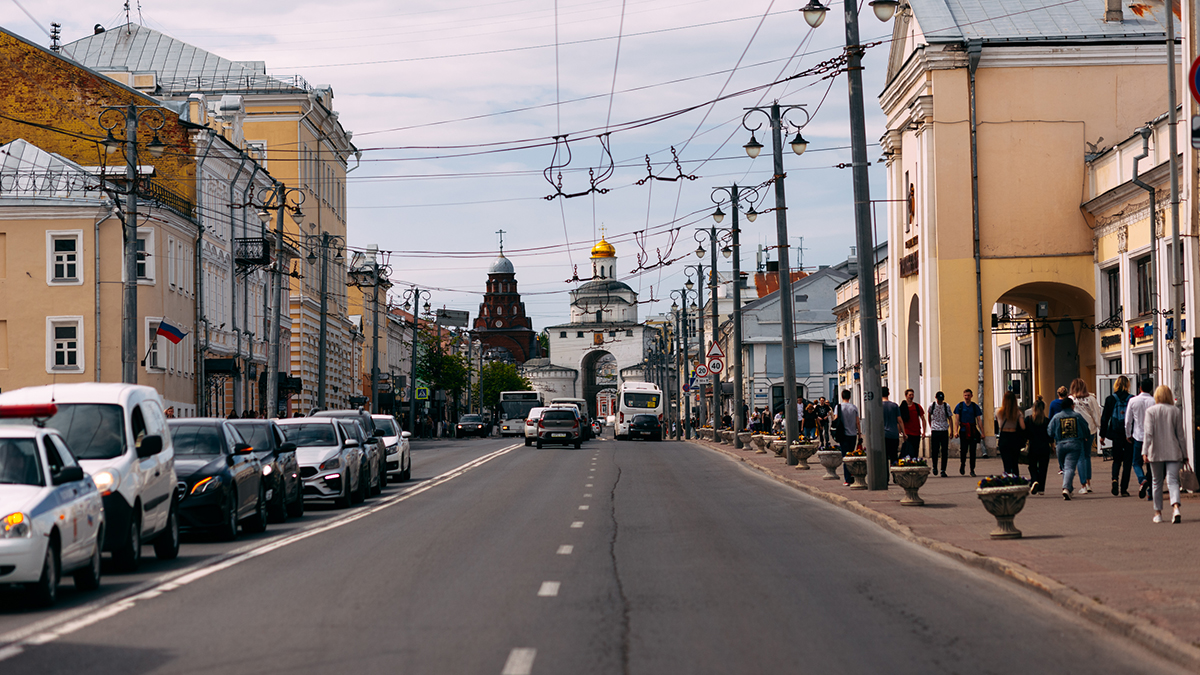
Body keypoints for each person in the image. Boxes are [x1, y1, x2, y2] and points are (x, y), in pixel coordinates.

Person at [1142, 385, 1186, 523]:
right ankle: (1176, 508)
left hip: (1156, 451)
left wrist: (1144, 451)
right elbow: (1180, 435)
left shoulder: (1150, 411)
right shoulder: (1175, 411)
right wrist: (1184, 454)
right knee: (1173, 481)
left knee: (1156, 482)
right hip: (1173, 451)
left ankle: (1158, 513)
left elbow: (1148, 433)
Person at [1049, 396, 1089, 500]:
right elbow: (1085, 427)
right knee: (1069, 467)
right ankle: (1066, 488)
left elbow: (1050, 431)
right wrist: (1085, 436)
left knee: (1064, 467)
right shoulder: (1077, 416)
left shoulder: (1057, 417)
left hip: (1060, 445)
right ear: (1072, 406)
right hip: (1075, 444)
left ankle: (1069, 488)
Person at [1100, 375, 1134, 496]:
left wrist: (1102, 435)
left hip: (1116, 434)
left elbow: (1105, 418)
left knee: (1117, 460)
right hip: (1129, 435)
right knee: (1127, 462)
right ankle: (1124, 489)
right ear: (1128, 385)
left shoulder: (1110, 399)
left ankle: (1114, 478)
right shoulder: (1132, 399)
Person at [1125, 377, 1156, 500]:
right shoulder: (1154, 401)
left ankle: (1142, 480)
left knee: (1136, 462)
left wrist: (1128, 434)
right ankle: (1150, 493)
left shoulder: (1133, 401)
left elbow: (1128, 421)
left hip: (1138, 436)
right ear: (1151, 389)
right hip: (1151, 437)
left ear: (1140, 388)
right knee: (1151, 465)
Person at [954, 389, 985, 476]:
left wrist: (982, 432)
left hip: (973, 431)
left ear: (971, 396)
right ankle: (962, 464)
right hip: (963, 431)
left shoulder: (975, 407)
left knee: (972, 451)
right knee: (963, 450)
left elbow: (979, 420)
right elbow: (957, 420)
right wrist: (956, 431)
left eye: (968, 395)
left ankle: (972, 469)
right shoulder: (959, 406)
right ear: (963, 396)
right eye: (965, 395)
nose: (967, 397)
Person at [995, 390, 1026, 475]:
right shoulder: (1018, 413)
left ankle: (1007, 479)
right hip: (1014, 437)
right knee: (1014, 463)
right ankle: (1016, 480)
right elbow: (1023, 427)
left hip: (1003, 437)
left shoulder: (998, 412)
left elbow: (998, 424)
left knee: (1006, 463)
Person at [1025, 397, 1052, 494]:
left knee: (1032, 466)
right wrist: (1052, 444)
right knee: (1043, 468)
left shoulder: (1028, 420)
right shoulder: (1047, 421)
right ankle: (1041, 489)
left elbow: (1025, 433)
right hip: (1044, 447)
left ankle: (1034, 480)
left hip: (1033, 446)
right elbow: (1050, 435)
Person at [833, 389, 860, 486]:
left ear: (841, 396)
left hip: (843, 435)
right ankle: (852, 476)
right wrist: (859, 434)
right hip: (853, 435)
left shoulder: (838, 407)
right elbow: (857, 422)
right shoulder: (854, 407)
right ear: (850, 397)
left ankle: (847, 479)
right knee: (852, 456)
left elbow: (836, 419)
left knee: (845, 457)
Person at [927, 391, 953, 477]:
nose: (940, 401)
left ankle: (943, 470)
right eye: (939, 399)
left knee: (944, 451)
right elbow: (929, 415)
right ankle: (935, 466)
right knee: (935, 450)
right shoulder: (932, 405)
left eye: (941, 400)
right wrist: (931, 426)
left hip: (944, 429)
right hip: (935, 430)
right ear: (936, 398)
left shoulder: (946, 406)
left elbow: (950, 418)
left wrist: (951, 431)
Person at [899, 389, 926, 459]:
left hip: (916, 433)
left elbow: (923, 419)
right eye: (910, 395)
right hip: (907, 433)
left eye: (912, 395)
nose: (911, 396)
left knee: (915, 451)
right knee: (908, 451)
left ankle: (914, 465)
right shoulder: (903, 407)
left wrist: (924, 431)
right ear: (906, 396)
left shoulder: (917, 406)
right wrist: (901, 431)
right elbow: (899, 420)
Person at [881, 387, 901, 466]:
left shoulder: (878, 406)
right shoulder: (894, 406)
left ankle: (885, 477)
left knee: (884, 457)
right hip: (894, 435)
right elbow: (899, 420)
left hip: (883, 435)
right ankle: (895, 476)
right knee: (894, 456)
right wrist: (904, 433)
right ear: (888, 394)